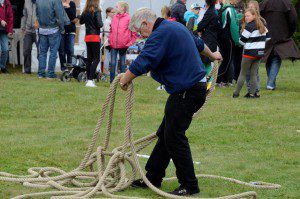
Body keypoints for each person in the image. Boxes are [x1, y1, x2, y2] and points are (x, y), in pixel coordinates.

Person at [119, 8, 222, 196]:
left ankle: (189, 185)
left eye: (140, 32)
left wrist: (125, 79)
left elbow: (145, 60)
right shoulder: (175, 26)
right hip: (191, 89)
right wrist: (212, 54)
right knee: (166, 134)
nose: (141, 36)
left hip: (187, 91)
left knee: (174, 137)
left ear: (145, 24)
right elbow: (199, 44)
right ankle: (153, 178)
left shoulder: (160, 34)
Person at [260, 0, 300, 90]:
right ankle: (270, 84)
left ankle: (271, 83)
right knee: (275, 58)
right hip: (281, 34)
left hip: (267, 34)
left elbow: (258, 17)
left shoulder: (264, 3)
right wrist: (289, 31)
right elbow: (293, 19)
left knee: (269, 57)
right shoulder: (287, 3)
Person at [233, 8, 269, 98]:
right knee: (254, 74)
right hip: (259, 53)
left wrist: (249, 41)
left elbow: (241, 41)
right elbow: (268, 38)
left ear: (254, 16)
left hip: (249, 53)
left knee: (242, 73)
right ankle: (252, 94)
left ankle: (236, 94)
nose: (246, 18)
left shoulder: (249, 26)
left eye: (248, 16)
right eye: (245, 16)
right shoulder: (263, 25)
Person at [36, 0, 69, 79]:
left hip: (42, 29)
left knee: (43, 52)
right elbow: (59, 16)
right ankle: (50, 73)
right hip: (53, 29)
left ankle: (41, 73)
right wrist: (62, 29)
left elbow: (37, 14)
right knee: (53, 52)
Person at [108, 1, 136, 83]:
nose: (115, 8)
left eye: (117, 7)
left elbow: (133, 32)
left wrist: (130, 43)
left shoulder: (129, 18)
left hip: (123, 45)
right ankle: (112, 83)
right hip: (113, 45)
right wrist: (110, 39)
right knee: (113, 63)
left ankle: (123, 82)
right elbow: (111, 30)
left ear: (123, 8)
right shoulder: (114, 17)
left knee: (122, 64)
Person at [197, 0, 221, 89]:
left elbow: (200, 25)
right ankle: (209, 83)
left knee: (204, 62)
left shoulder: (209, 13)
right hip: (212, 39)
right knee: (206, 63)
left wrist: (200, 30)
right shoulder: (215, 11)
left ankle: (208, 83)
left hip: (208, 40)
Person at [80, 0, 103, 88]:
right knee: (96, 59)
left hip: (88, 36)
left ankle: (88, 79)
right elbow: (99, 24)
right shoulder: (97, 10)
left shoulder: (85, 10)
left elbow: (81, 21)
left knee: (89, 59)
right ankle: (90, 80)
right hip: (95, 36)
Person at [216, 0, 239, 87]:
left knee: (226, 59)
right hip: (228, 38)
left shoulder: (223, 8)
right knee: (227, 60)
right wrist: (237, 40)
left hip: (222, 37)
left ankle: (224, 80)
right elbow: (233, 26)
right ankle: (217, 80)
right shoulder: (229, 9)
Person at [244, 0, 262, 95]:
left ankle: (256, 90)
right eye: (249, 7)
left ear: (256, 9)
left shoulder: (261, 21)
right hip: (247, 49)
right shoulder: (246, 20)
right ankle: (250, 90)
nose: (250, 9)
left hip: (256, 49)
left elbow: (266, 35)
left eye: (252, 7)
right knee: (247, 70)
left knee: (254, 70)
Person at [59, 0, 77, 71]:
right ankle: (63, 68)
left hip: (71, 30)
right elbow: (59, 16)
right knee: (61, 50)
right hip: (61, 30)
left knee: (70, 50)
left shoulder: (72, 3)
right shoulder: (58, 3)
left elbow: (73, 18)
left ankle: (70, 68)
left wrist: (68, 7)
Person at [21, 0, 38, 75]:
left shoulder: (41, 2)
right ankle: (27, 70)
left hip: (38, 30)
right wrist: (23, 27)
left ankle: (41, 70)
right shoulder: (26, 1)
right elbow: (24, 15)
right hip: (28, 31)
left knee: (41, 51)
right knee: (26, 50)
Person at [0, 0, 13, 74]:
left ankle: (2, 67)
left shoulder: (7, 2)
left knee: (5, 49)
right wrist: (0, 20)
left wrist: (10, 30)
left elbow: (10, 17)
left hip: (4, 31)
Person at [103, 7, 115, 75]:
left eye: (114, 12)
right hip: (108, 42)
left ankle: (110, 71)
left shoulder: (112, 21)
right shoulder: (107, 21)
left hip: (112, 41)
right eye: (112, 12)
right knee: (107, 57)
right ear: (108, 13)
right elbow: (107, 33)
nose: (114, 14)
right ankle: (106, 71)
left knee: (112, 57)